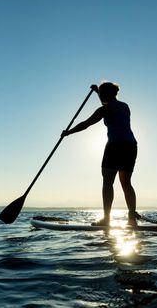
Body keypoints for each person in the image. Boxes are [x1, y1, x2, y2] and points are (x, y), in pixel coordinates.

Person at [61, 82, 139, 227]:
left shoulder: (104, 109)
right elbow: (107, 103)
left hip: (115, 146)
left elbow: (86, 123)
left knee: (108, 183)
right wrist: (97, 91)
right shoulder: (124, 106)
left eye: (103, 92)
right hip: (130, 146)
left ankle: (106, 220)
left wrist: (68, 132)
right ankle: (132, 219)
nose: (101, 95)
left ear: (109, 93)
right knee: (126, 183)